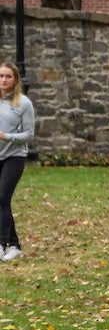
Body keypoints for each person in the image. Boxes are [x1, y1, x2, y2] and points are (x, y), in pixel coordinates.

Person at [0, 63, 31, 260]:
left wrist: (7, 137)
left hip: (15, 157)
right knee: (2, 201)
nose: (3, 80)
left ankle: (1, 243)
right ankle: (15, 245)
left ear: (15, 79)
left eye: (8, 76)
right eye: (1, 76)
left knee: (2, 198)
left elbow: (29, 134)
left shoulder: (23, 103)